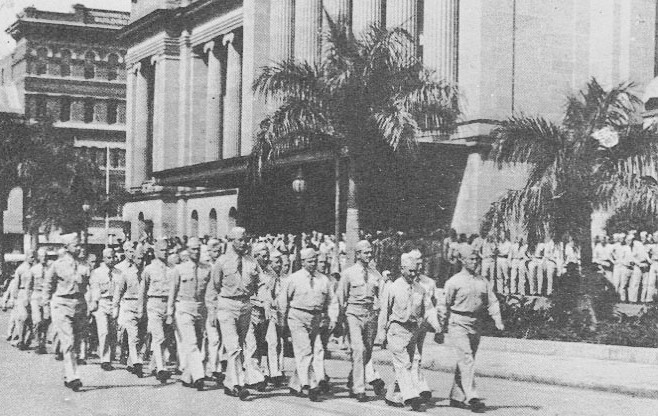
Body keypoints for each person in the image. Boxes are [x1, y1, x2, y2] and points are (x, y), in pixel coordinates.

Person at [439, 249, 504, 413]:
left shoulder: (483, 281)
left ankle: (456, 396)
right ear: (463, 260)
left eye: (477, 259)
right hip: (458, 323)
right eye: (472, 259)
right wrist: (439, 327)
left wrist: (497, 319)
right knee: (467, 358)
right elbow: (443, 305)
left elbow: (492, 301)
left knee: (467, 359)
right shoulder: (454, 282)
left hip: (476, 323)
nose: (476, 262)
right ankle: (472, 397)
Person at [378, 253, 439, 411]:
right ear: (402, 269)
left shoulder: (420, 289)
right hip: (397, 329)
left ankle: (391, 395)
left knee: (409, 364)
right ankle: (411, 397)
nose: (413, 274)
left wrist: (437, 326)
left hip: (413, 331)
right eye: (410, 271)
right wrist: (382, 333)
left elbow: (428, 309)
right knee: (402, 364)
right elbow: (385, 311)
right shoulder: (393, 287)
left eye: (416, 271)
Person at [280, 248, 337, 402]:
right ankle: (310, 385)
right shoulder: (293, 279)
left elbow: (332, 301)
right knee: (305, 350)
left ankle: (295, 384)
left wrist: (333, 318)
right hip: (297, 316)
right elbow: (284, 301)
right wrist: (283, 321)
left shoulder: (323, 280)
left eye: (315, 261)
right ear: (302, 262)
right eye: (309, 261)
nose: (313, 264)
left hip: (316, 318)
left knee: (310, 350)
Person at [212, 227, 260, 400]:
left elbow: (258, 282)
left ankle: (229, 382)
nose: (244, 243)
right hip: (227, 303)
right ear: (231, 240)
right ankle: (239, 385)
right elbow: (215, 285)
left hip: (245, 305)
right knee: (233, 346)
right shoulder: (222, 261)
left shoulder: (251, 261)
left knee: (238, 345)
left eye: (245, 239)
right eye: (240, 240)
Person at [336, 240, 386, 402]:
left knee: (367, 352)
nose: (369, 255)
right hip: (353, 314)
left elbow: (382, 297)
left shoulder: (375, 274)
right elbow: (340, 298)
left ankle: (352, 379)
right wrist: (339, 320)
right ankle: (360, 389)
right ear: (358, 254)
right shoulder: (348, 274)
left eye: (370, 252)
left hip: (370, 315)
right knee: (359, 349)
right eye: (366, 252)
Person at [43, 234, 91, 391]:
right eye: (76, 245)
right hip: (62, 304)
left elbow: (90, 286)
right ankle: (73, 377)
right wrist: (45, 307)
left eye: (80, 245)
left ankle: (67, 373)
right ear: (67, 247)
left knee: (76, 342)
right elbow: (48, 287)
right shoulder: (57, 265)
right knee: (68, 341)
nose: (79, 248)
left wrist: (91, 303)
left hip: (79, 305)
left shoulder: (84, 265)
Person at [167, 237, 211, 391]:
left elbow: (211, 292)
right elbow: (172, 292)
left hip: (200, 308)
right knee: (191, 343)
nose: (196, 252)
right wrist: (169, 312)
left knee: (199, 343)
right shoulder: (179, 269)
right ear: (187, 250)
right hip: (183, 308)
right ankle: (199, 376)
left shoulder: (207, 269)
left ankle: (188, 376)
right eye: (193, 249)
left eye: (199, 248)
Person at [143, 240, 173, 383]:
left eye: (167, 250)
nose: (165, 252)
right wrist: (140, 309)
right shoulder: (149, 269)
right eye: (162, 250)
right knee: (159, 337)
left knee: (164, 339)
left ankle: (153, 365)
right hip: (154, 303)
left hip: (168, 304)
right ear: (155, 252)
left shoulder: (172, 269)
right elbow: (143, 290)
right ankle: (162, 369)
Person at [243, 242, 270, 391]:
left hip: (264, 312)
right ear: (255, 256)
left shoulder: (270, 273)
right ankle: (257, 377)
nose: (266, 259)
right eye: (263, 256)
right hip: (250, 309)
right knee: (251, 344)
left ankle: (252, 375)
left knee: (259, 346)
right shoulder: (249, 268)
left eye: (268, 256)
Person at [89, 248, 120, 371]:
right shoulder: (97, 272)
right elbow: (95, 289)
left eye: (113, 257)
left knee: (113, 333)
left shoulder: (119, 273)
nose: (111, 260)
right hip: (102, 302)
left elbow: (120, 290)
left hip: (114, 303)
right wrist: (94, 304)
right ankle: (105, 360)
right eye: (108, 257)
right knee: (104, 331)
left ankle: (111, 357)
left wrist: (117, 305)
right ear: (103, 258)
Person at [204, 238, 225, 384]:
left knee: (217, 339)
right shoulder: (205, 267)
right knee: (210, 339)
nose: (217, 254)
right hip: (206, 306)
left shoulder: (222, 265)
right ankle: (210, 368)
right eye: (214, 251)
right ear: (209, 252)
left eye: (219, 251)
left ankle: (215, 368)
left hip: (220, 305)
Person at [11, 250, 35, 350]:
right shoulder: (20, 269)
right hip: (22, 292)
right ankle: (20, 340)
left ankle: (26, 341)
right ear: (26, 257)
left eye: (34, 257)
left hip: (32, 293)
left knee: (32, 320)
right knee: (23, 317)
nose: (33, 259)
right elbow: (16, 284)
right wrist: (14, 299)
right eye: (31, 257)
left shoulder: (35, 268)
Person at [29, 248, 51, 354]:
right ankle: (37, 343)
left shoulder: (50, 269)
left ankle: (43, 344)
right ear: (38, 257)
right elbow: (29, 285)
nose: (44, 258)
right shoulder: (34, 269)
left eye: (45, 256)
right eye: (42, 256)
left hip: (46, 296)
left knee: (46, 320)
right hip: (36, 295)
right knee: (37, 321)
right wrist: (27, 299)